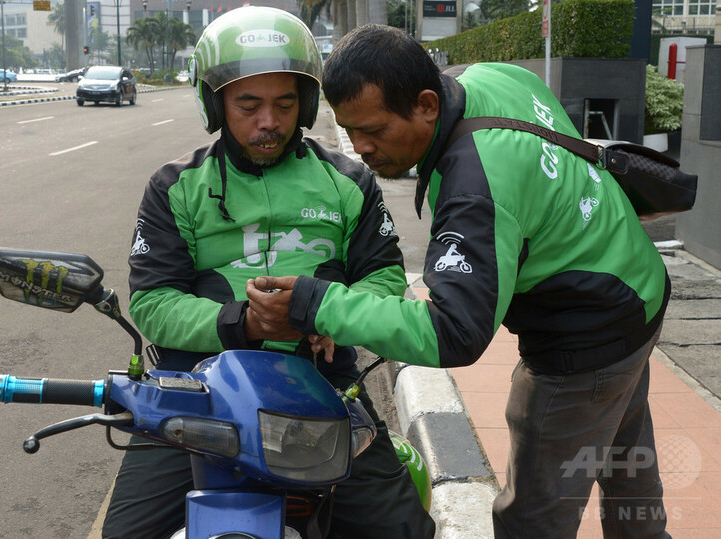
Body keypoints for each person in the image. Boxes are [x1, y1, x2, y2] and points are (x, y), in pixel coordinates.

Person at [246, 24, 671, 539]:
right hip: (638, 288)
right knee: (627, 468)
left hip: (589, 337)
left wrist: (318, 303)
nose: (360, 148)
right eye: (349, 129)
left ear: (426, 103)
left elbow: (454, 332)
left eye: (375, 131)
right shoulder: (489, 77)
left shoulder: (475, 189)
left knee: (532, 518)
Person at [103, 9, 435, 539]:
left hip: (323, 379)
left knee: (401, 530)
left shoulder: (349, 182)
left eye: (285, 104)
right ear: (215, 104)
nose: (269, 122)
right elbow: (153, 302)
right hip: (196, 385)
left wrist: (335, 317)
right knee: (126, 533)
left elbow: (383, 276)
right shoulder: (174, 187)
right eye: (248, 105)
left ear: (305, 105)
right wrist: (247, 323)